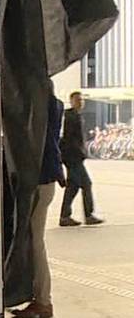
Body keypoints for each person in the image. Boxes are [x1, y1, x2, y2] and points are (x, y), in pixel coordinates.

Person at [13, 92, 67, 318]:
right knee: (34, 240)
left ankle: (43, 300)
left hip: (40, 180)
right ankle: (39, 298)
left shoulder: (39, 110)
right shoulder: (53, 105)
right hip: (46, 179)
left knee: (35, 241)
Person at [59, 91, 103, 226]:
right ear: (71, 101)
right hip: (73, 157)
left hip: (74, 156)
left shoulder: (77, 116)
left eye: (82, 100)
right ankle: (88, 215)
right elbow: (68, 138)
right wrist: (77, 153)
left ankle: (65, 216)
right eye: (77, 100)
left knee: (73, 186)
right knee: (86, 184)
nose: (80, 102)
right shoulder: (70, 116)